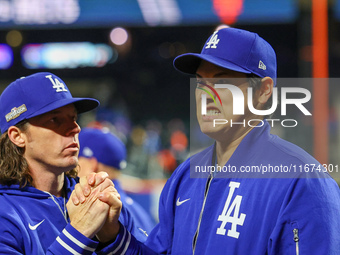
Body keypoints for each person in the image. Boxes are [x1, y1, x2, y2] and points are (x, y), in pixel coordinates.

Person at [73, 27, 340, 254]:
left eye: (222, 81)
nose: (206, 95)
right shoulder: (186, 176)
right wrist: (113, 234)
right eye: (201, 82)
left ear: (263, 92)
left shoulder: (302, 181)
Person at [0, 72, 147, 254]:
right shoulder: (5, 214)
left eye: (73, 118)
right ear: (17, 136)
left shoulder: (97, 198)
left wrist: (113, 238)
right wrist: (78, 233)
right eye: (55, 119)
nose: (76, 128)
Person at [78, 127, 156, 234]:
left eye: (77, 160)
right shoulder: (138, 211)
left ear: (92, 165)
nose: (73, 168)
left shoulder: (100, 209)